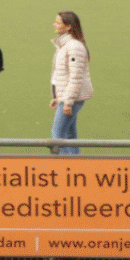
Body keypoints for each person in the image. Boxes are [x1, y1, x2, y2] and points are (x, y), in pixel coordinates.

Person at [49, 10, 91, 154]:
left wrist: (68, 102)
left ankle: (63, 165)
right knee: (69, 136)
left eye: (58, 22)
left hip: (70, 99)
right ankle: (74, 165)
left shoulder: (74, 47)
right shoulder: (65, 46)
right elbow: (60, 75)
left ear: (68, 27)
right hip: (67, 97)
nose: (54, 24)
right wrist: (57, 97)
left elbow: (75, 77)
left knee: (57, 135)